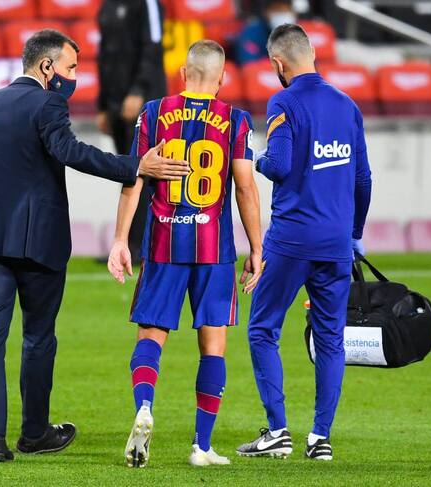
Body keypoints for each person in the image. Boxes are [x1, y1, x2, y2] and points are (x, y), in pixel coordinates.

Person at [0, 29, 189, 464]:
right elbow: (71, 151)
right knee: (38, 337)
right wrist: (136, 166)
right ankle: (34, 434)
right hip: (38, 241)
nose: (74, 76)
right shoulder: (48, 103)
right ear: (47, 67)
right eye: (71, 67)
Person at [108, 40, 263, 468]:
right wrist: (257, 247)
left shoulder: (153, 113)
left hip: (163, 242)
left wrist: (120, 239)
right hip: (214, 248)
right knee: (213, 345)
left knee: (150, 336)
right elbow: (245, 187)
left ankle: (144, 406)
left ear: (182, 74)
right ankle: (202, 446)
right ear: (222, 78)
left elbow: (134, 178)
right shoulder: (236, 119)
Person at [236, 24, 372, 461]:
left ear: (278, 64)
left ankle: (278, 431)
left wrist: (251, 158)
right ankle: (320, 438)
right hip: (336, 243)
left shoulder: (284, 102)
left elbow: (278, 165)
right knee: (331, 338)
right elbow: (363, 179)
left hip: (292, 239)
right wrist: (354, 235)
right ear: (312, 54)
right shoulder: (347, 105)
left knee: (263, 329)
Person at [96, 0, 166, 263]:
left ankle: (142, 245)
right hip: (115, 102)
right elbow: (104, 53)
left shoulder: (148, 3)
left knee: (144, 174)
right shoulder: (107, 5)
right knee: (128, 173)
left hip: (143, 101)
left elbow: (153, 47)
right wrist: (103, 105)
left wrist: (138, 91)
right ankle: (128, 243)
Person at [233, 0, 296, 66]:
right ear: (266, 12)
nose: (282, 14)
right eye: (277, 9)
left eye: (286, 9)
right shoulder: (251, 33)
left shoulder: (298, 33)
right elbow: (249, 64)